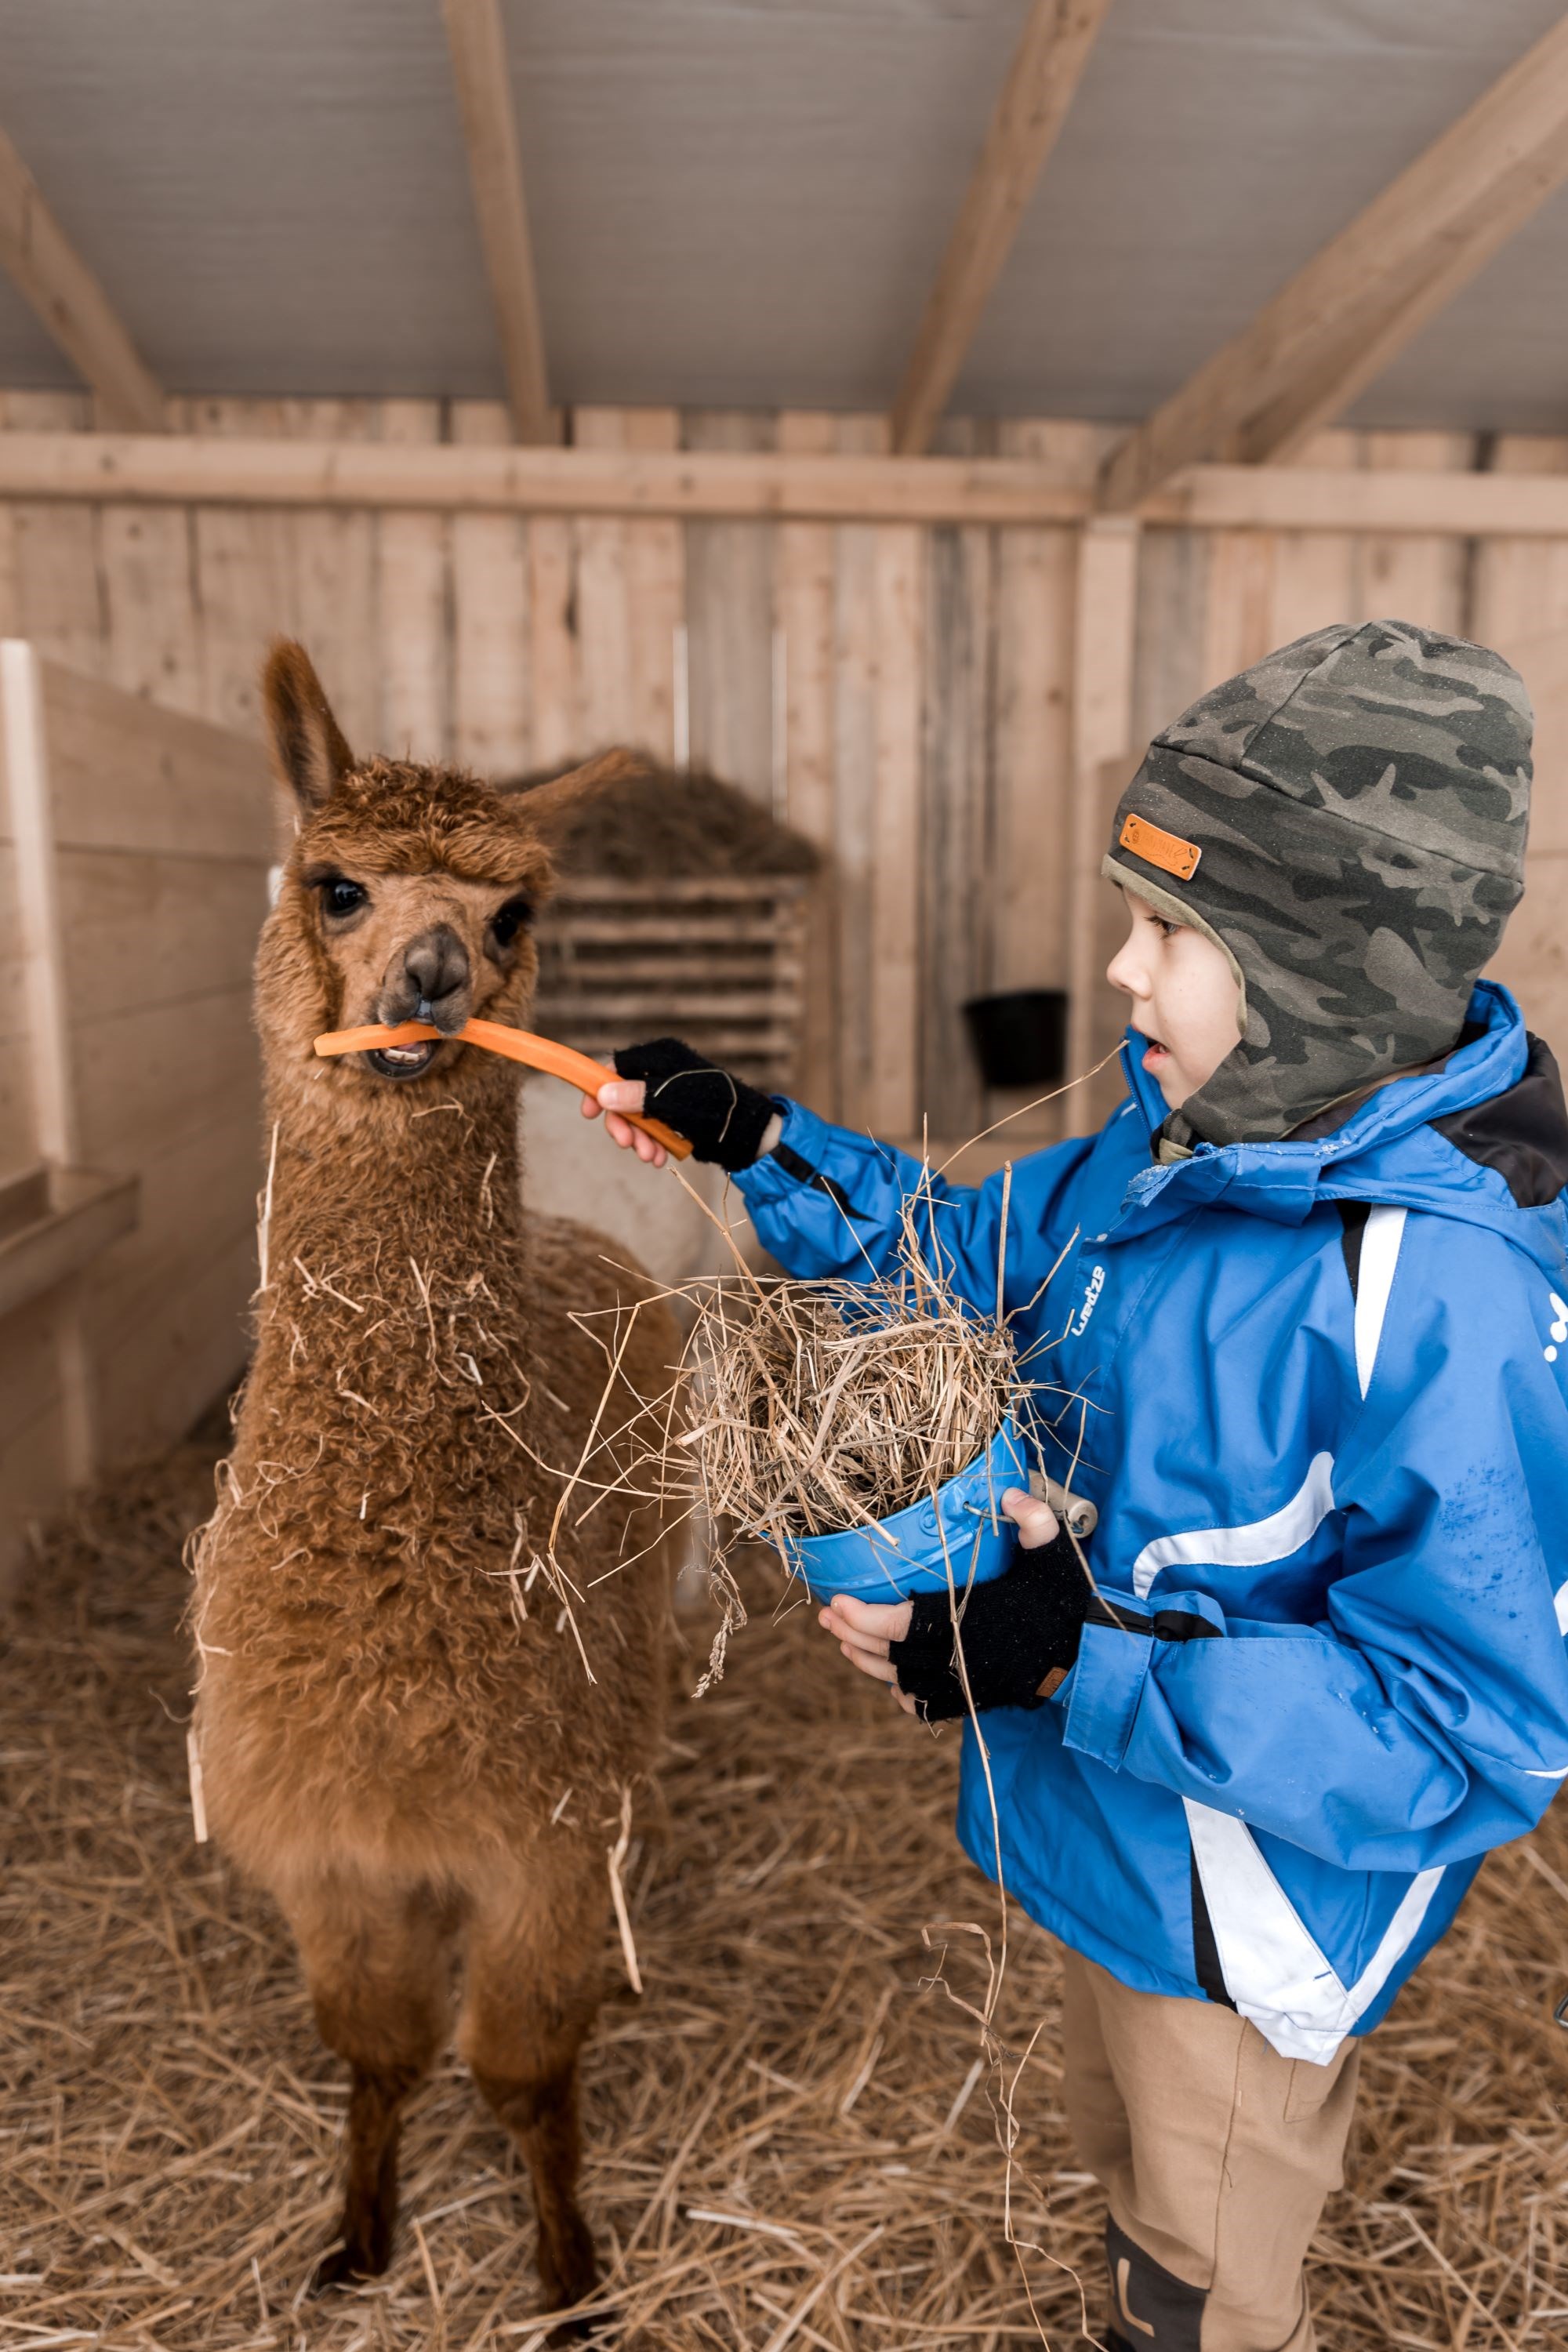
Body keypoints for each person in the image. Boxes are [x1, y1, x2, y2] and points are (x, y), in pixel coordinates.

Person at [581, 619, 1568, 2352]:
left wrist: (1063, 1653)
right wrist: (763, 1143)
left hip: (1242, 1911)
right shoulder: (1160, 1150)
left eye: (1172, 933)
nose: (1121, 971)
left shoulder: (1442, 1294)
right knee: (1132, 2191)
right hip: (1103, 1835)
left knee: (1207, 2267)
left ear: (1324, 965)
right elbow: (955, 1258)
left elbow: (1462, 1731)